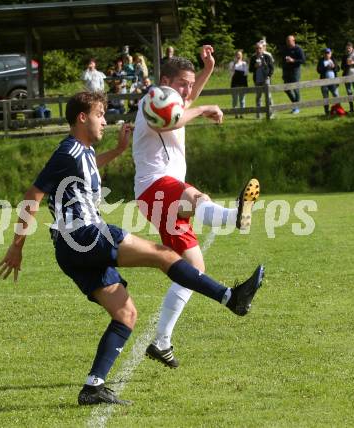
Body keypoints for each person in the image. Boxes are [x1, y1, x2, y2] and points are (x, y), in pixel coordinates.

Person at [0, 91, 265, 405]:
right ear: (82, 117)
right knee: (165, 256)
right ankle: (231, 298)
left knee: (126, 315)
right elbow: (33, 196)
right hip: (85, 234)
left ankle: (92, 388)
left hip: (69, 249)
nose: (104, 121)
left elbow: (88, 166)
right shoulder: (68, 152)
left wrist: (119, 150)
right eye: (99, 115)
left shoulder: (78, 154)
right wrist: (17, 246)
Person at [132, 45, 263, 368]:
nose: (187, 90)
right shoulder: (155, 99)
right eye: (182, 83)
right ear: (165, 80)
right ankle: (235, 217)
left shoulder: (171, 98)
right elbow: (171, 120)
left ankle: (161, 342)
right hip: (155, 186)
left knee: (192, 270)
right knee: (196, 198)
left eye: (190, 84)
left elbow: (183, 105)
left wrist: (207, 69)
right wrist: (205, 109)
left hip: (158, 193)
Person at [249, 42, 274, 119]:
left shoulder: (267, 56)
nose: (258, 50)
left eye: (260, 48)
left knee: (268, 97)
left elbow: (272, 68)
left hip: (266, 79)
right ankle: (258, 114)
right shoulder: (253, 58)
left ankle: (270, 113)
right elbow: (250, 70)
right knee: (258, 97)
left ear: (263, 48)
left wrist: (269, 76)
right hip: (257, 80)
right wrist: (255, 66)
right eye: (257, 48)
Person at [281, 35, 305, 114]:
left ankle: (296, 107)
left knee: (295, 88)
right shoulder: (285, 49)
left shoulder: (298, 49)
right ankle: (295, 104)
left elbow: (303, 60)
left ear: (293, 40)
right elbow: (282, 60)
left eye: (289, 40)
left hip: (295, 71)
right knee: (286, 89)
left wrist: (293, 60)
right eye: (287, 40)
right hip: (286, 71)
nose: (287, 42)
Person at [317, 48, 340, 116]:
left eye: (328, 53)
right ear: (324, 54)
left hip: (333, 82)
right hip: (324, 82)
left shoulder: (333, 60)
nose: (327, 54)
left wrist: (333, 67)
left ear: (330, 54)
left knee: (336, 95)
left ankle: (338, 110)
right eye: (325, 53)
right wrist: (325, 67)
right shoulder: (321, 60)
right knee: (325, 97)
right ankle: (327, 112)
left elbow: (338, 69)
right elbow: (318, 70)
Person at [229, 50, 248, 118]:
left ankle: (242, 114)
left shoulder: (244, 64)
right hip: (234, 83)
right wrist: (234, 65)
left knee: (242, 99)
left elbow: (246, 74)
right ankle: (235, 114)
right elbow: (231, 74)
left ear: (242, 56)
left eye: (239, 54)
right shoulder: (232, 63)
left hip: (242, 83)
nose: (238, 56)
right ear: (235, 55)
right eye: (237, 54)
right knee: (235, 99)